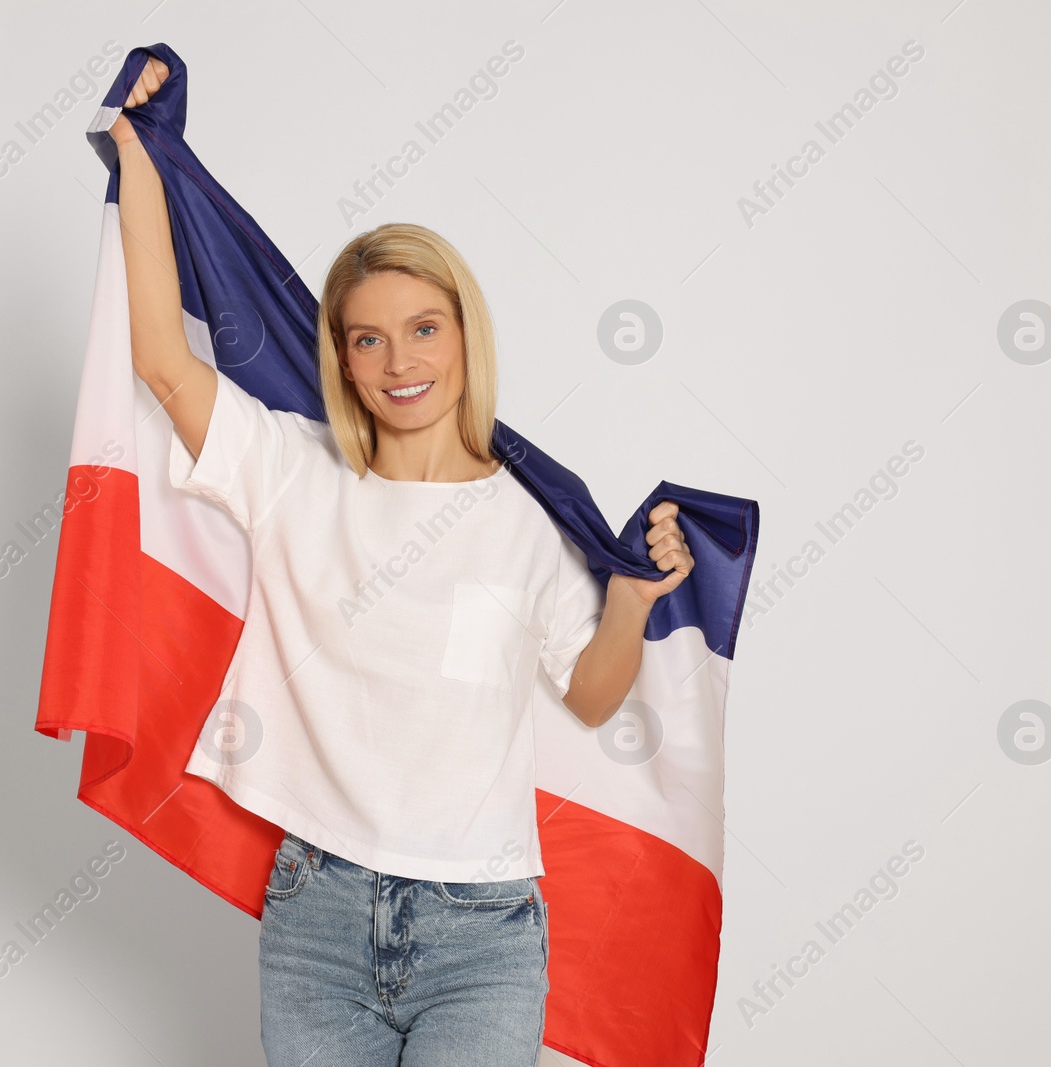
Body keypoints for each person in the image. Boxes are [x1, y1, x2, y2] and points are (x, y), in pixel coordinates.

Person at [109, 56, 693, 1067]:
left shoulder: (528, 520)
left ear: (465, 333)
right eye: (367, 340)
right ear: (339, 356)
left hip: (484, 933)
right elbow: (163, 357)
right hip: (316, 919)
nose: (399, 363)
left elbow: (593, 696)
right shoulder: (294, 473)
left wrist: (632, 601)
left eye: (423, 329)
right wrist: (139, 155)